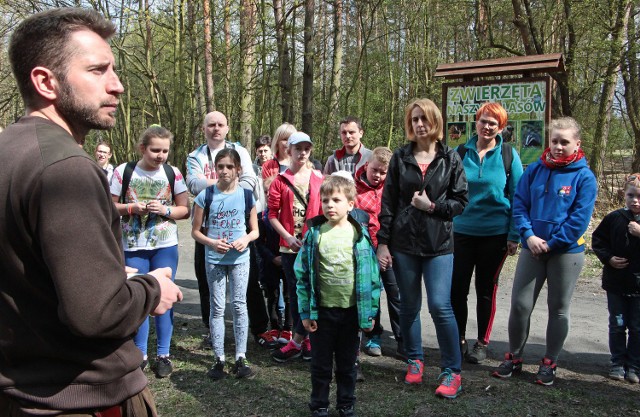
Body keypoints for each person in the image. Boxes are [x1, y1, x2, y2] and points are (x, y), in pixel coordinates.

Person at [0, 8, 182, 416]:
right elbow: (97, 313)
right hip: (83, 397)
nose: (117, 86)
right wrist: (153, 288)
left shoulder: (9, 152)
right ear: (46, 82)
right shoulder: (68, 170)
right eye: (98, 71)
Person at [492, 117, 597, 386]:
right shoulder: (535, 170)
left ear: (577, 144)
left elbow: (579, 219)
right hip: (532, 248)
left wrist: (552, 243)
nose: (559, 146)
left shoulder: (584, 177)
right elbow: (520, 204)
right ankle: (514, 357)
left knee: (558, 309)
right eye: (554, 141)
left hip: (566, 252)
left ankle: (550, 362)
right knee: (520, 305)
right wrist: (528, 235)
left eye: (565, 142)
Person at [377, 98, 468, 398]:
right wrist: (384, 243)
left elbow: (460, 202)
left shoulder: (451, 158)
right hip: (403, 244)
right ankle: (414, 360)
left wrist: (431, 206)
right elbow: (388, 203)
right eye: (414, 119)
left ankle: (452, 371)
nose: (419, 124)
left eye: (424, 119)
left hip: (438, 243)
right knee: (409, 306)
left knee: (441, 306)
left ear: (435, 122)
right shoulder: (400, 157)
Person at [186, 111, 277, 349]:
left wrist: (215, 189)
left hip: (240, 227)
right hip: (207, 229)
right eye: (211, 125)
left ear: (227, 128)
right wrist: (226, 185)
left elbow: (248, 182)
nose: (216, 129)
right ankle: (211, 330)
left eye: (220, 125)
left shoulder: (241, 151)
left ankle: (259, 329)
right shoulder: (195, 155)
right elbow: (193, 184)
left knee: (250, 281)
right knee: (206, 282)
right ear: (204, 129)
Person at [296, 175, 381, 417]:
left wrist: (370, 312)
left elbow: (373, 278)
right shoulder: (315, 235)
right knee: (321, 364)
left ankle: (346, 404)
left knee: (347, 365)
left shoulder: (360, 237)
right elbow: (302, 276)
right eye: (325, 200)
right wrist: (305, 313)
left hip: (351, 312)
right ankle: (319, 405)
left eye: (336, 200)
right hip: (322, 313)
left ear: (351, 204)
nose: (330, 205)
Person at [110, 125, 190, 377]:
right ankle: (140, 353)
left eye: (165, 151)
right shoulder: (124, 171)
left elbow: (184, 210)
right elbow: (109, 207)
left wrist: (164, 210)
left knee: (164, 298)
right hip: (132, 245)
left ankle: (163, 354)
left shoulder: (172, 173)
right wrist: (133, 208)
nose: (161, 155)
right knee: (138, 299)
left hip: (164, 245)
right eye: (155, 150)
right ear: (142, 148)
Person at [450, 102, 524, 364]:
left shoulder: (508, 155)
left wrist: (514, 235)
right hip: (461, 232)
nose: (487, 126)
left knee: (485, 289)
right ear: (476, 122)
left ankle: (482, 342)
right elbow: (449, 192)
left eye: (494, 122)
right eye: (484, 121)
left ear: (500, 127)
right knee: (456, 288)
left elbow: (518, 196)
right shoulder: (459, 152)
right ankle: (459, 339)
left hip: (495, 234)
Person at [191, 148, 260, 380]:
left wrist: (245, 239)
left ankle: (241, 356)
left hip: (240, 259)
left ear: (238, 169)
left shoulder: (247, 195)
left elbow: (255, 231)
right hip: (214, 260)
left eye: (230, 166)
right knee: (217, 307)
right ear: (215, 169)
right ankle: (219, 358)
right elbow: (195, 232)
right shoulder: (205, 196)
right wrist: (211, 242)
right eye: (220, 166)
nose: (225, 171)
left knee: (239, 305)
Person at [269, 131, 324, 362]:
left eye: (306, 148)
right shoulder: (280, 181)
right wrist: (288, 237)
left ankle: (305, 340)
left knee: (314, 291)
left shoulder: (319, 178)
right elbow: (271, 215)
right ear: (288, 151)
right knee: (295, 293)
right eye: (297, 148)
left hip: (314, 246)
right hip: (290, 247)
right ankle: (300, 338)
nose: (302, 153)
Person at [354, 147, 403, 358]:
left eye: (383, 173)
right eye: (375, 170)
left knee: (396, 293)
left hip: (388, 249)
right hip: (364, 250)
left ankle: (403, 339)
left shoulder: (392, 189)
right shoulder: (353, 188)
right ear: (367, 165)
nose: (378, 176)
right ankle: (373, 336)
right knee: (369, 294)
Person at [591, 173, 640, 384]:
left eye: (639, 196)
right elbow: (598, 241)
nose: (635, 200)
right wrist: (608, 258)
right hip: (616, 283)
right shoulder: (614, 218)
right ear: (624, 195)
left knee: (638, 327)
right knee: (618, 324)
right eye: (631, 195)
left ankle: (635, 365)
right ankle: (617, 362)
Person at [256, 175, 293, 344]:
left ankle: (288, 328)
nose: (269, 195)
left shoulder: (290, 217)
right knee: (272, 294)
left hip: (289, 260)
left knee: (289, 294)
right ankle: (274, 326)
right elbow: (259, 243)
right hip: (270, 263)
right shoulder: (261, 217)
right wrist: (272, 258)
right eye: (266, 192)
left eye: (273, 192)